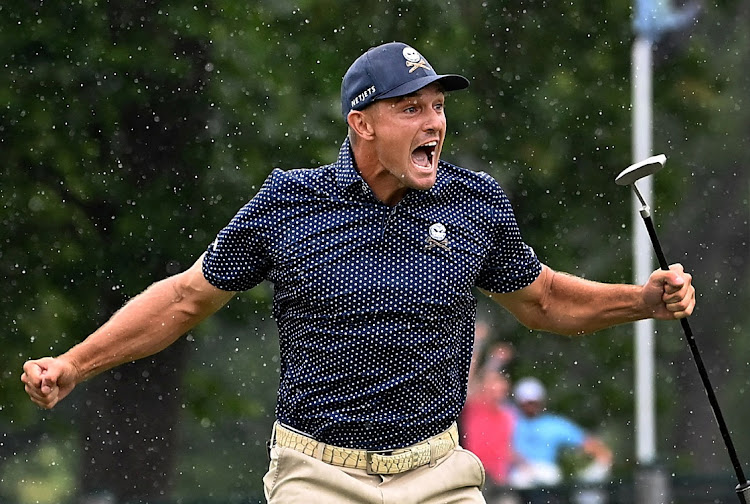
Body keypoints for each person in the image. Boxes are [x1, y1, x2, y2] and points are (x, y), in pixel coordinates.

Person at [21, 41, 695, 504]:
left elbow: (544, 300)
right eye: (411, 108)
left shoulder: (475, 203)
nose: (433, 122)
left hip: (438, 473)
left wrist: (642, 300)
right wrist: (76, 365)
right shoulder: (289, 201)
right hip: (318, 475)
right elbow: (184, 299)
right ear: (361, 124)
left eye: (438, 107)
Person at [509, 377, 613, 504]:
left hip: (546, 476)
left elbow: (588, 443)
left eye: (534, 402)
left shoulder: (553, 424)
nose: (531, 406)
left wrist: (601, 460)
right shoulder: (509, 420)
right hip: (516, 478)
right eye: (527, 402)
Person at [460, 325, 519, 504]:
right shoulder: (476, 406)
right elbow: (469, 377)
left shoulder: (509, 414)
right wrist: (479, 345)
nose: (496, 390)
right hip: (474, 476)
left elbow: (507, 448)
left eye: (501, 387)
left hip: (500, 480)